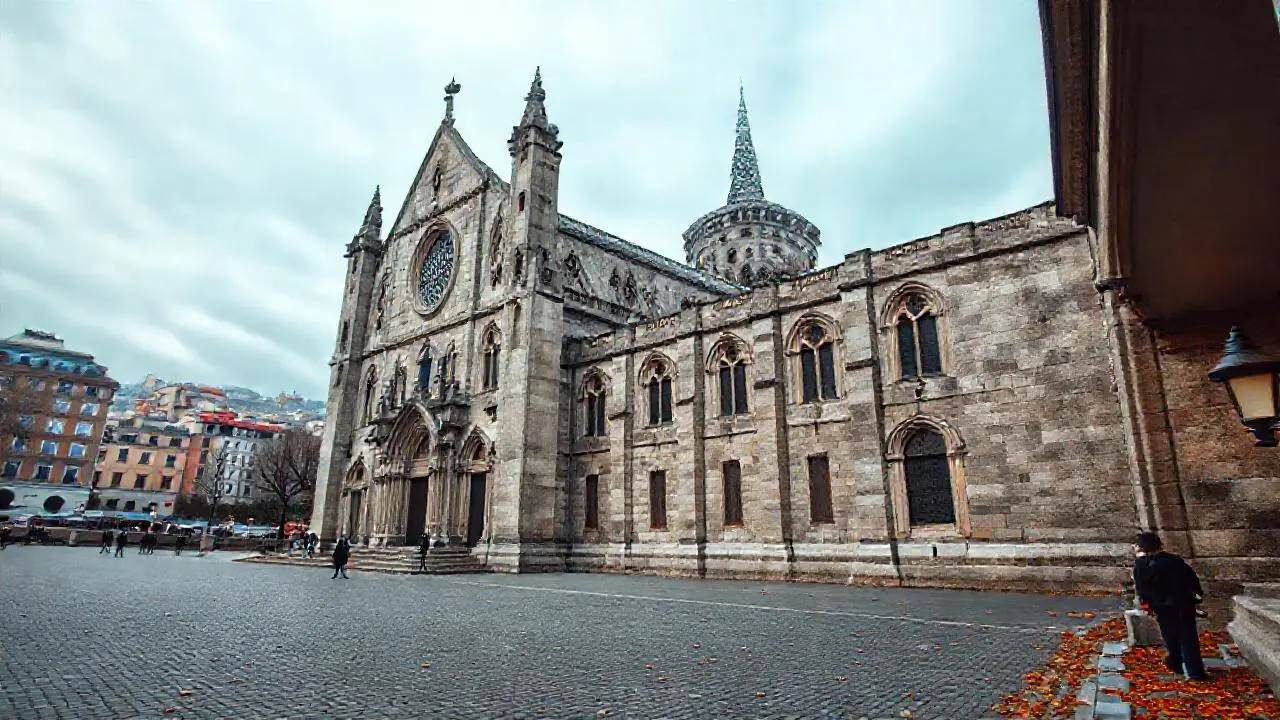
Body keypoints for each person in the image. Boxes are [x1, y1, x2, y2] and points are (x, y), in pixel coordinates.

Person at [1134, 531, 1207, 681]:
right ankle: (1194, 671)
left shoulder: (1140, 565)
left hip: (1160, 606)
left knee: (1170, 635)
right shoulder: (1174, 561)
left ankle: (1175, 662)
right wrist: (1196, 597)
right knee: (1188, 638)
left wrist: (1148, 603)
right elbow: (1192, 580)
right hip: (1182, 604)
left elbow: (1141, 588)